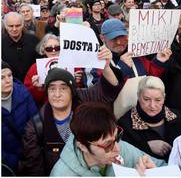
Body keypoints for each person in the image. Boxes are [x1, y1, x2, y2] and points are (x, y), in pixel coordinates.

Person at [19, 46, 125, 176]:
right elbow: (34, 169)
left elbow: (110, 88)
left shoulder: (84, 99)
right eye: (52, 89)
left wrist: (106, 66)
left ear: (72, 91)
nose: (57, 94)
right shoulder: (35, 128)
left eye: (63, 88)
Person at [50, 102, 165, 176]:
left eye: (117, 137)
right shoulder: (62, 174)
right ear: (83, 146)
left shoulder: (120, 147)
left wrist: (156, 173)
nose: (118, 148)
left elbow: (163, 166)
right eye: (107, 144)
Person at [117, 76, 181, 161]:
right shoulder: (125, 124)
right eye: (146, 99)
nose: (152, 105)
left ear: (164, 98)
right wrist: (147, 146)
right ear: (138, 96)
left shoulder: (177, 116)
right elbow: (121, 156)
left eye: (158, 100)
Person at [99, 19, 171, 80]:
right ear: (102, 38)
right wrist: (121, 69)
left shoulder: (135, 52)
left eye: (122, 36)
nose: (118, 42)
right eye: (113, 38)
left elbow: (150, 79)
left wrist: (158, 62)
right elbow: (100, 92)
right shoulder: (98, 60)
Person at [2, 61, 38, 176]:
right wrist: (15, 163)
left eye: (9, 75)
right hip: (9, 165)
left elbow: (36, 124)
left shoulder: (23, 93)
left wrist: (32, 155)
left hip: (31, 155)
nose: (8, 80)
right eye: (2, 77)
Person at [2, 12, 39, 82]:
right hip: (10, 85)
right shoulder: (1, 42)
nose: (14, 29)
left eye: (17, 25)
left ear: (22, 25)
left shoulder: (34, 40)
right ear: (5, 26)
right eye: (11, 26)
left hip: (32, 83)